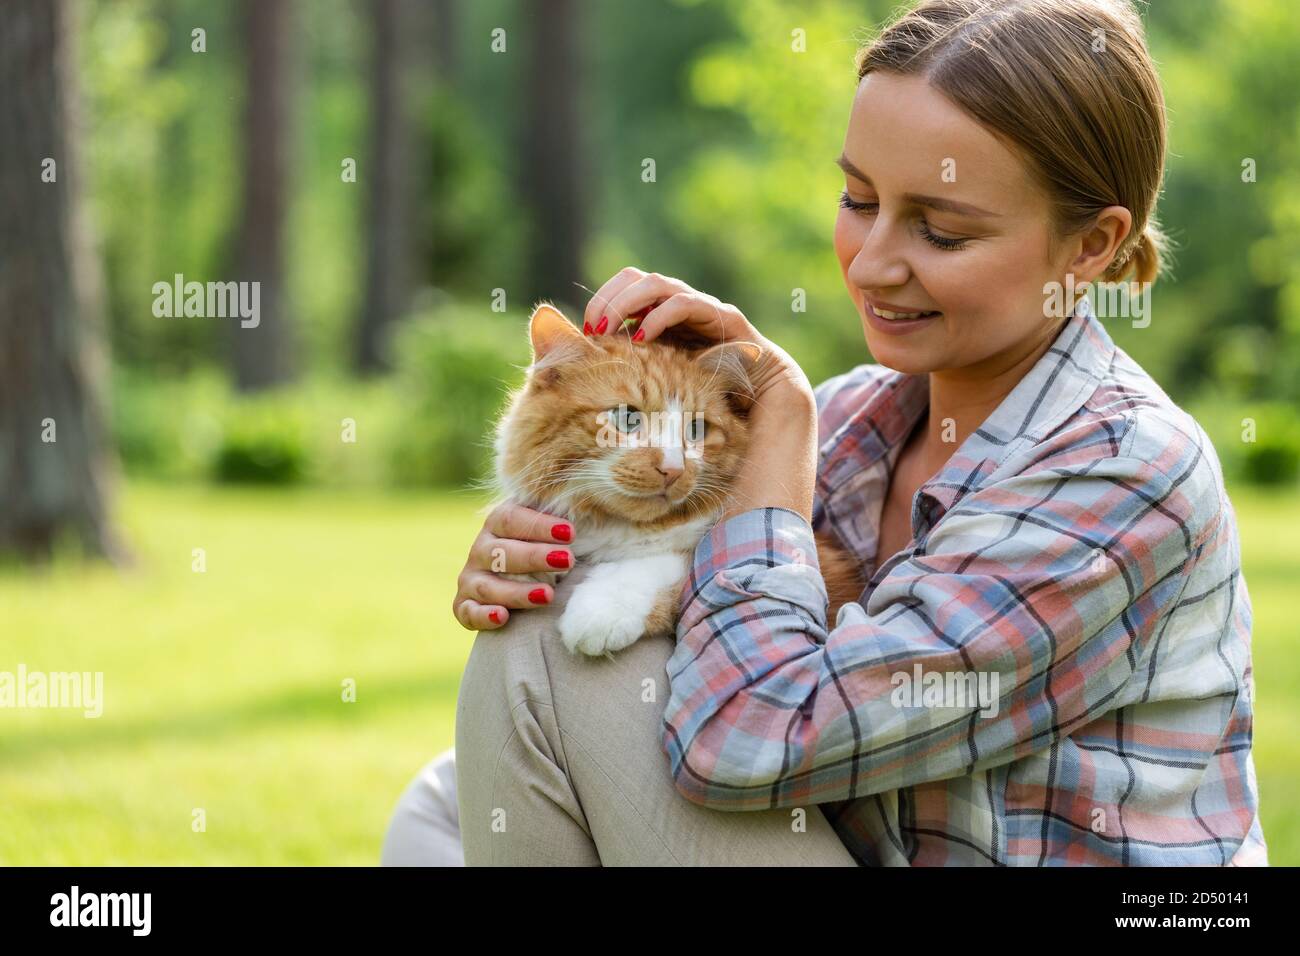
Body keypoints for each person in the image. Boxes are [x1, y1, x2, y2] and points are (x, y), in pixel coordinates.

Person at [382, 0, 1267, 866]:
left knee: (540, 664)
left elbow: (749, 739)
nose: (873, 261)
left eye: (941, 229)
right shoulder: (856, 418)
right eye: (857, 199)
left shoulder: (1122, 471)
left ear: (1090, 247)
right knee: (444, 800)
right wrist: (547, 549)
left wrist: (781, 418)